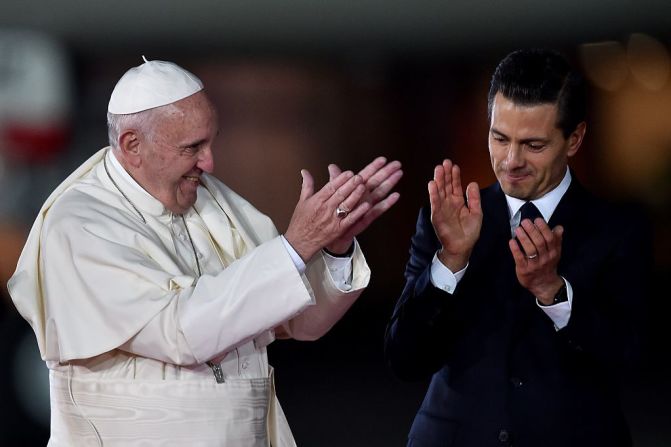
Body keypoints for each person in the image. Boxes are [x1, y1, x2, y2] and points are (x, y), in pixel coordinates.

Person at [8, 58, 402, 446]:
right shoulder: (79, 224)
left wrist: (332, 248)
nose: (210, 162)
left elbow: (302, 321)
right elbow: (181, 333)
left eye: (211, 142)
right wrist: (296, 246)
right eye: (192, 147)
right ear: (132, 145)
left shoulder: (214, 202)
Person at [385, 48, 651, 447]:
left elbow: (635, 361)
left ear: (574, 138)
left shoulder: (617, 230)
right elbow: (405, 359)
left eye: (533, 145)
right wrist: (451, 261)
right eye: (499, 138)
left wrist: (554, 293)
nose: (511, 161)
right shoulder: (448, 221)